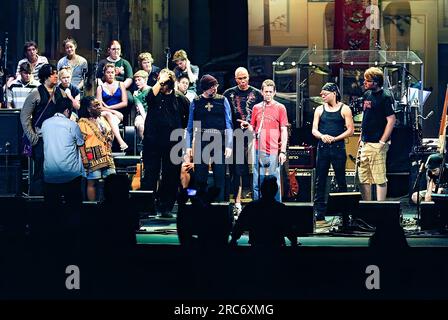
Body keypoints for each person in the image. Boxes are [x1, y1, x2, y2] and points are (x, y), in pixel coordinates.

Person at [142, 69, 190, 217]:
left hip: (173, 142)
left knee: (171, 175)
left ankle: (165, 207)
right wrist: (159, 81)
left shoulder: (180, 98)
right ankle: (148, 206)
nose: (162, 85)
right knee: (151, 173)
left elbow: (188, 119)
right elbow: (148, 98)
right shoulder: (154, 95)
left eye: (164, 82)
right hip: (153, 141)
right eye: (160, 82)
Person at [185, 74, 233, 202]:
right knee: (200, 176)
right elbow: (189, 127)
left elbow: (229, 124)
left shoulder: (222, 100)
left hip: (219, 141)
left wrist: (229, 145)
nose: (214, 89)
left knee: (220, 175)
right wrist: (188, 146)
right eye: (211, 86)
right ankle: (199, 205)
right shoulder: (196, 102)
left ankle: (221, 205)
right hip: (202, 140)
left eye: (216, 85)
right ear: (204, 88)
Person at [238, 79, 288, 202]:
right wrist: (247, 126)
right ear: (261, 92)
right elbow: (253, 129)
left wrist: (283, 151)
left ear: (275, 92)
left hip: (273, 149)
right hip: (257, 149)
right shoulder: (256, 108)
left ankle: (275, 209)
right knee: (257, 182)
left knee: (274, 181)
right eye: (266, 92)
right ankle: (257, 209)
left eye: (271, 92)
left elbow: (284, 130)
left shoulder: (280, 108)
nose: (268, 94)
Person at [312, 82, 354, 221]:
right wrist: (322, 136)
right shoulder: (319, 109)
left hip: (337, 148)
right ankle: (319, 212)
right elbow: (314, 129)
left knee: (341, 179)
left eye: (325, 93)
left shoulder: (344, 109)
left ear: (334, 93)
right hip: (323, 148)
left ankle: (345, 212)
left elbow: (350, 130)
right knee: (320, 180)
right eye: (321, 94)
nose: (322, 96)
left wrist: (335, 138)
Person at [224, 67, 263, 215]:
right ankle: (238, 203)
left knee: (255, 170)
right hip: (236, 136)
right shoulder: (228, 94)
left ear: (249, 77)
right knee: (238, 171)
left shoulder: (257, 94)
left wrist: (252, 126)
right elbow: (226, 117)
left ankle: (258, 202)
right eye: (240, 78)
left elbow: (262, 116)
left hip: (254, 136)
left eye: (245, 77)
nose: (243, 81)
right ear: (235, 79)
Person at [20, 64, 62, 195]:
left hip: (58, 139)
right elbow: (24, 116)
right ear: (45, 77)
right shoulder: (36, 94)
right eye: (52, 74)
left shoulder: (61, 92)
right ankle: (36, 199)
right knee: (40, 170)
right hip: (41, 139)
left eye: (56, 73)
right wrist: (33, 138)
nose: (56, 76)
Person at [41, 98, 87, 209]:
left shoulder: (45, 124)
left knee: (52, 210)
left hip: (50, 174)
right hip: (70, 175)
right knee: (74, 208)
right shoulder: (72, 125)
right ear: (67, 111)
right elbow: (81, 146)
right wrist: (85, 160)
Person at [358, 67, 396, 201]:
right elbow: (366, 116)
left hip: (377, 142)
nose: (364, 83)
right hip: (366, 142)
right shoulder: (367, 95)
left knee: (379, 177)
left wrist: (382, 141)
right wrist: (361, 136)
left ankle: (380, 208)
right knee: (363, 177)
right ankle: (367, 206)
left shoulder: (385, 97)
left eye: (367, 81)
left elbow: (391, 120)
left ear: (375, 82)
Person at [229, 175, 297, 247]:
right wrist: (294, 241)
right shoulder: (281, 208)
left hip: (256, 247)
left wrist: (233, 239)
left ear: (261, 189)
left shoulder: (251, 206)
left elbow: (240, 225)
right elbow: (289, 229)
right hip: (276, 248)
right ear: (276, 190)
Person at [78, 97, 116, 201]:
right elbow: (80, 143)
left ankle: (110, 205)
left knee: (111, 181)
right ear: (89, 109)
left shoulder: (102, 119)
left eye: (99, 105)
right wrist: (84, 157)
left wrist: (110, 139)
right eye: (96, 106)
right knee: (92, 182)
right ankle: (93, 207)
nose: (99, 107)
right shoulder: (82, 123)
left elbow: (109, 133)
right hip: (92, 156)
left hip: (107, 155)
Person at [96, 63, 128, 151]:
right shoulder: (100, 87)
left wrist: (110, 108)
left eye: (112, 72)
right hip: (104, 113)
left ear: (115, 73)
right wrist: (112, 111)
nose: (110, 74)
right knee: (107, 115)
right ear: (104, 74)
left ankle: (107, 147)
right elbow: (99, 107)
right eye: (108, 72)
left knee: (109, 118)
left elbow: (124, 103)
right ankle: (121, 142)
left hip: (117, 114)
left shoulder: (120, 84)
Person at [132, 70, 151, 140]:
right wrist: (146, 120)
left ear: (145, 80)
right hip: (141, 115)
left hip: (152, 114)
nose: (137, 82)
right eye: (136, 80)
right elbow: (140, 108)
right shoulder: (136, 94)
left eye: (139, 80)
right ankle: (144, 146)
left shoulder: (152, 91)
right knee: (141, 126)